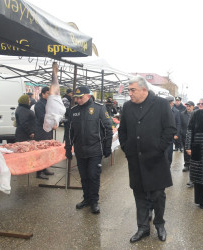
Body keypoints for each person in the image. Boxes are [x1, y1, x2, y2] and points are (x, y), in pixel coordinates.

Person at [118, 76, 176, 243]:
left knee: (158, 195)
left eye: (132, 90)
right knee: (139, 194)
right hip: (135, 159)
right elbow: (123, 130)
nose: (129, 93)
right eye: (128, 90)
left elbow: (170, 128)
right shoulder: (128, 106)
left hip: (156, 160)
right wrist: (126, 148)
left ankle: (159, 224)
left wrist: (158, 149)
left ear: (144, 89)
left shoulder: (161, 104)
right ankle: (142, 227)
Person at [65, 86, 113, 214]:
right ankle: (86, 199)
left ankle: (94, 201)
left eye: (80, 98)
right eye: (76, 98)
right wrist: (68, 148)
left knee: (93, 175)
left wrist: (107, 147)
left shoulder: (99, 108)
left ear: (88, 95)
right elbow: (68, 131)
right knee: (84, 177)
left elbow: (108, 128)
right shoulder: (73, 110)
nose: (78, 100)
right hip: (80, 150)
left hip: (95, 150)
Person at [34, 86, 55, 179]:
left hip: (47, 131)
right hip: (41, 131)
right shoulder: (39, 104)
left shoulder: (48, 103)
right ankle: (39, 172)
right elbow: (42, 117)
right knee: (41, 152)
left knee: (46, 151)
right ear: (43, 94)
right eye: (48, 93)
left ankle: (45, 168)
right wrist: (52, 123)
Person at [180, 101, 195, 180]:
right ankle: (186, 164)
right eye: (187, 106)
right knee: (186, 151)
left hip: (194, 137)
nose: (188, 108)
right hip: (184, 135)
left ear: (193, 106)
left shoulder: (196, 114)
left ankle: (193, 165)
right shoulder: (182, 114)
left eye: (189, 106)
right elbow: (180, 124)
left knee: (193, 152)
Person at [167, 96, 181, 165]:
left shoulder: (176, 112)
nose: (169, 104)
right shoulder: (162, 110)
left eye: (170, 102)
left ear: (172, 103)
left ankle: (168, 165)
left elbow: (178, 124)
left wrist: (177, 134)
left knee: (169, 151)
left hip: (171, 135)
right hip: (163, 134)